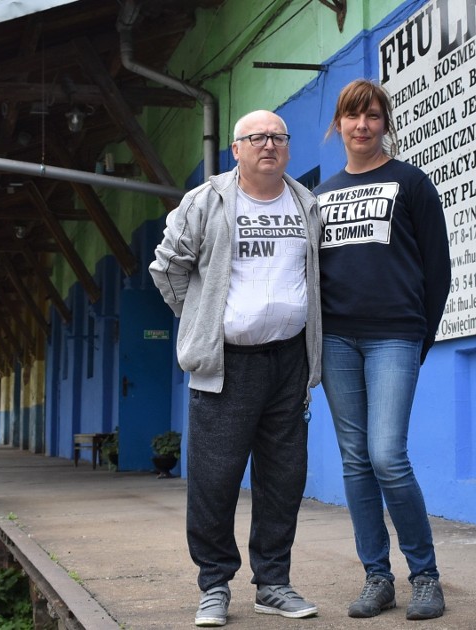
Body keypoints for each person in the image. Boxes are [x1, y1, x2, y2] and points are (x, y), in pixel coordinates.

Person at [149, 110, 322, 627]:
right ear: (236, 148)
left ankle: (273, 584)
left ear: (287, 147)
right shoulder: (206, 201)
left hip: (289, 360)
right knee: (214, 479)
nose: (268, 145)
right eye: (257, 138)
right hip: (227, 364)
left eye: (277, 137)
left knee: (283, 478)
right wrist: (201, 320)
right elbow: (167, 267)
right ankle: (214, 585)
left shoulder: (306, 203)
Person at [312, 79, 451, 621]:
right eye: (352, 116)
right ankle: (377, 577)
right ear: (339, 125)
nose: (362, 125)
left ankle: (425, 576)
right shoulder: (321, 195)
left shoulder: (412, 183)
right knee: (355, 461)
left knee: (387, 455)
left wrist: (422, 336)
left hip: (395, 333)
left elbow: (437, 270)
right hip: (337, 340)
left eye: (371, 115)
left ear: (384, 122)